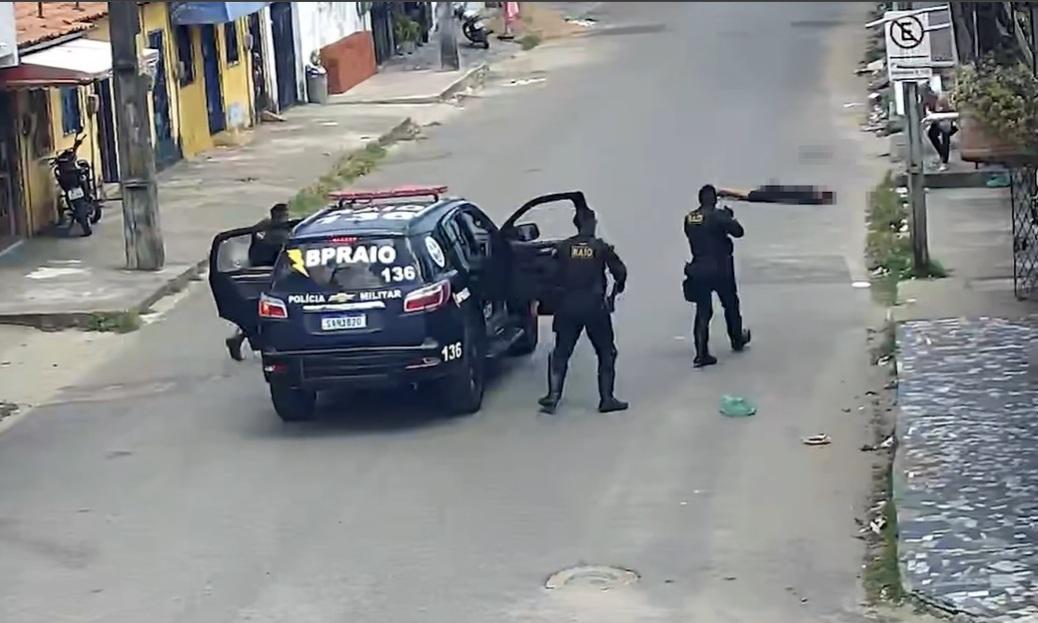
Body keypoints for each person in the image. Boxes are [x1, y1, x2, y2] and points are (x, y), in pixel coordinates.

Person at [538, 203, 629, 415]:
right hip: (594, 307)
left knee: (561, 352)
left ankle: (553, 396)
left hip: (567, 307)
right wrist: (613, 295)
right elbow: (621, 273)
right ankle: (606, 399)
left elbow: (548, 278)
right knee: (607, 352)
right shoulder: (601, 247)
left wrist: (551, 302)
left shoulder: (562, 248)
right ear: (591, 224)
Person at [684, 184, 751, 368]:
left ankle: (701, 353)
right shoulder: (717, 216)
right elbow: (738, 232)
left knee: (703, 310)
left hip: (698, 268)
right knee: (730, 304)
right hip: (720, 268)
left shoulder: (690, 218)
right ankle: (737, 339)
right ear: (713, 200)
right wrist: (729, 217)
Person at [225, 203, 292, 361]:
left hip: (254, 272)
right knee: (275, 311)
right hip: (273, 274)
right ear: (282, 216)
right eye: (285, 215)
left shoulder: (261, 228)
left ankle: (239, 337)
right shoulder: (282, 233)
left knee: (256, 310)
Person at [923, 85, 957, 172]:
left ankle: (944, 161)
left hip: (946, 119)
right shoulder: (927, 101)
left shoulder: (941, 99)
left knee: (945, 135)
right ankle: (942, 156)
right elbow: (928, 112)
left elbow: (948, 111)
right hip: (937, 121)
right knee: (931, 134)